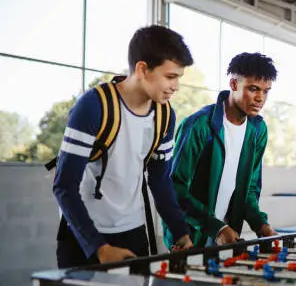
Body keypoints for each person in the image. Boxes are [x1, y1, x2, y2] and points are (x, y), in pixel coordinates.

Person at [53, 25, 194, 268]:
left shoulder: (164, 115)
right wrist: (99, 247)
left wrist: (180, 230)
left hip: (133, 230)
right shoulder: (93, 106)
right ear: (142, 69)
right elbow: (64, 186)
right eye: (170, 76)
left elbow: (160, 180)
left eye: (178, 78)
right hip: (84, 234)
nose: (176, 86)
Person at [165, 52, 278, 248]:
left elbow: (249, 189)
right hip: (190, 235)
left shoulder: (258, 130)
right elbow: (175, 189)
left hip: (228, 235)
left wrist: (261, 225)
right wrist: (215, 228)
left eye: (266, 91)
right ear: (233, 84)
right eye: (253, 89)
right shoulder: (199, 126)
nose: (260, 98)